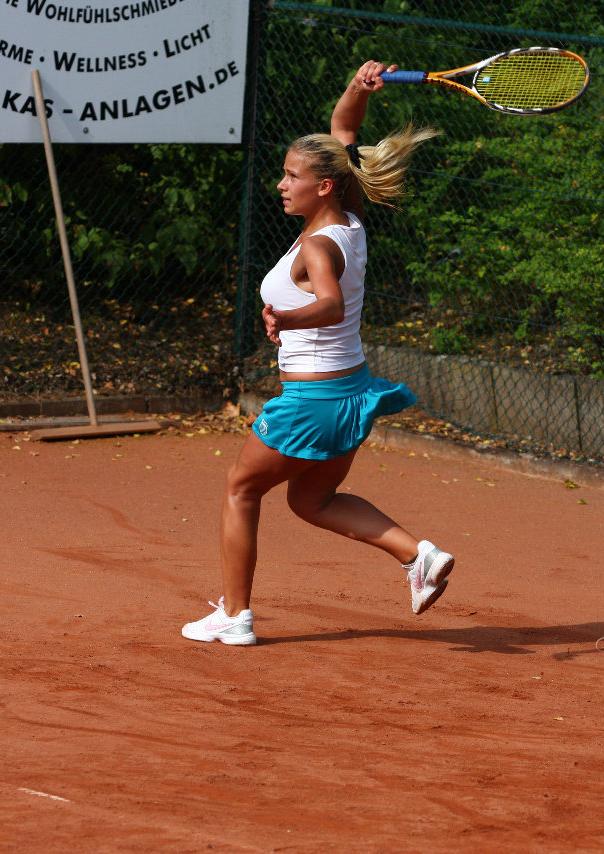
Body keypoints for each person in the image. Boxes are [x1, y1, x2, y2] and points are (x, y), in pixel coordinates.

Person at [182, 61, 453, 646]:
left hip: (312, 399)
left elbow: (327, 305)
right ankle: (419, 555)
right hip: (350, 391)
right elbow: (342, 131)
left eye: (291, 176)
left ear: (322, 186)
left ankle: (236, 616)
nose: (282, 184)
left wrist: (285, 316)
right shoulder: (349, 218)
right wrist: (358, 88)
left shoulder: (316, 244)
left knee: (240, 490)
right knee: (312, 498)